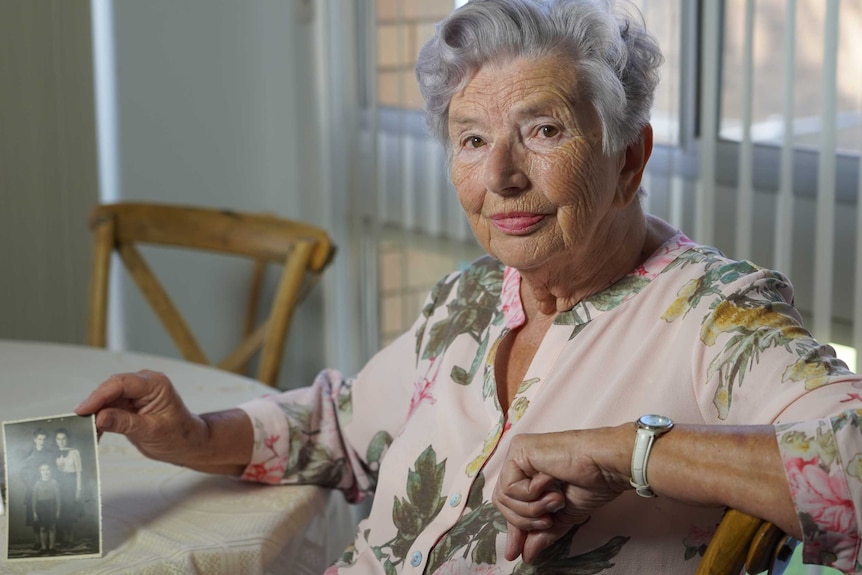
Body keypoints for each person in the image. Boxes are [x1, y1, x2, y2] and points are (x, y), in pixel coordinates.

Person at [75, 0, 862, 573]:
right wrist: (193, 435)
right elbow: (344, 426)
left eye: (544, 130)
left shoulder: (716, 314)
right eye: (471, 140)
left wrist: (627, 450)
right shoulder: (472, 296)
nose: (500, 177)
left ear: (629, 158)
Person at [20, 427, 56, 551]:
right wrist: (31, 485)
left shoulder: (50, 455)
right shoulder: (30, 456)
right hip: (34, 488)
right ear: (35, 440)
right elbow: (23, 473)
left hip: (48, 487)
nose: (42, 441)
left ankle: (50, 544)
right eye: (39, 439)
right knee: (34, 516)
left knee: (48, 516)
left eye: (44, 439)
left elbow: (54, 470)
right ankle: (37, 542)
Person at [54, 428, 83, 548]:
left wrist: (78, 489)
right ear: (56, 440)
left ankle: (70, 539)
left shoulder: (74, 452)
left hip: (70, 484)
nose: (61, 441)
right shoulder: (53, 452)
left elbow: (79, 472)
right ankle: (63, 539)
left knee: (70, 513)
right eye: (58, 439)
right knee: (61, 512)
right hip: (58, 484)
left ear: (68, 439)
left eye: (64, 438)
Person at [31, 463, 61, 555]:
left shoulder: (54, 482)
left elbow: (58, 498)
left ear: (51, 471)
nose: (45, 472)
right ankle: (44, 547)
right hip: (41, 507)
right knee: (43, 528)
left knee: (52, 527)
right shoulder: (37, 484)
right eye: (43, 470)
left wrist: (58, 510)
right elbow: (34, 499)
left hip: (51, 506)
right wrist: (34, 511)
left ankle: (52, 547)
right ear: (40, 472)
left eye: (47, 469)